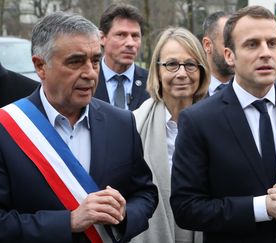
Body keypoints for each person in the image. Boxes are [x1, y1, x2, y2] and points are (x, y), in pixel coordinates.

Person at [170, 6, 276, 243]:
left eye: (272, 43)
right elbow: (186, 208)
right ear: (229, 56)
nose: (266, 53)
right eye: (252, 44)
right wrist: (263, 207)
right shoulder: (199, 120)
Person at [0, 12, 158, 242]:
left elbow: (145, 194)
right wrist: (69, 222)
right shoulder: (7, 127)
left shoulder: (121, 122)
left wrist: (124, 215)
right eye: (75, 62)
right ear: (40, 66)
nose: (90, 73)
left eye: (95, 60)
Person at [131, 27, 209, 243]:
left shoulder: (219, 124)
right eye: (172, 64)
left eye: (191, 64)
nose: (182, 73)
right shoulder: (133, 125)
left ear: (202, 71)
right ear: (157, 71)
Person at [94, 3, 149, 110]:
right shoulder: (87, 80)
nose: (130, 43)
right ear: (102, 38)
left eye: (135, 36)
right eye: (121, 35)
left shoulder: (152, 83)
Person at [202, 11, 234, 96]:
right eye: (229, 44)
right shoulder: (191, 91)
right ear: (207, 45)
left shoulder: (254, 89)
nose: (235, 51)